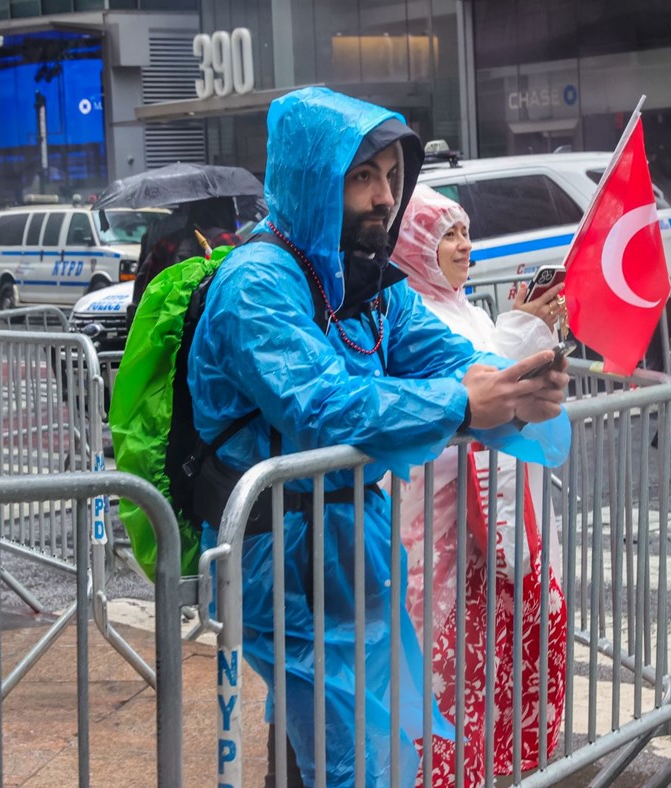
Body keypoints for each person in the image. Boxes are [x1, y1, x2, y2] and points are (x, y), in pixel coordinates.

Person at [188, 87, 571, 787]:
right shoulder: (257, 284)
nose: (383, 197)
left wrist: (517, 386)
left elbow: (448, 360)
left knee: (378, 747)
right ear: (313, 178)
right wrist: (462, 402)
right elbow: (321, 403)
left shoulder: (367, 281)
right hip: (286, 561)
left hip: (359, 548)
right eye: (362, 176)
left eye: (392, 177)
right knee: (354, 761)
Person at [391, 185, 568, 785]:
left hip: (486, 530)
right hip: (433, 533)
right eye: (448, 234)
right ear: (415, 244)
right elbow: (477, 381)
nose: (464, 246)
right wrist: (519, 329)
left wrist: (531, 332)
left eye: (466, 232)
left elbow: (499, 384)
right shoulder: (405, 311)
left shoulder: (466, 308)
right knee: (441, 667)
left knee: (486, 661)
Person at [129, 196, 240, 322]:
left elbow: (145, 292)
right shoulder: (230, 242)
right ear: (226, 211)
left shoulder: (165, 244)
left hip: (167, 329)